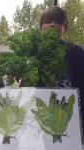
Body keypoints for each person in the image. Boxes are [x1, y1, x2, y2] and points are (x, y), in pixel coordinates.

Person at [40, 6, 84, 138]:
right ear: (41, 26)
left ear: (64, 28)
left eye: (58, 22)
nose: (53, 24)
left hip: (72, 116)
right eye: (48, 21)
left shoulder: (76, 52)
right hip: (41, 116)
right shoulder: (31, 52)